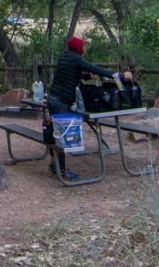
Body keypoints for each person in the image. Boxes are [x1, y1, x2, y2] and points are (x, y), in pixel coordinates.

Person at [43, 35, 132, 181]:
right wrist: (120, 75)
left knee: (55, 133)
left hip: (53, 98)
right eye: (83, 46)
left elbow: (71, 75)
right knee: (63, 136)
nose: (84, 48)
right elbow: (96, 69)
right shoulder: (76, 59)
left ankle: (55, 165)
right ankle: (63, 172)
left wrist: (85, 75)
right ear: (78, 47)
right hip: (61, 102)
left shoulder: (65, 57)